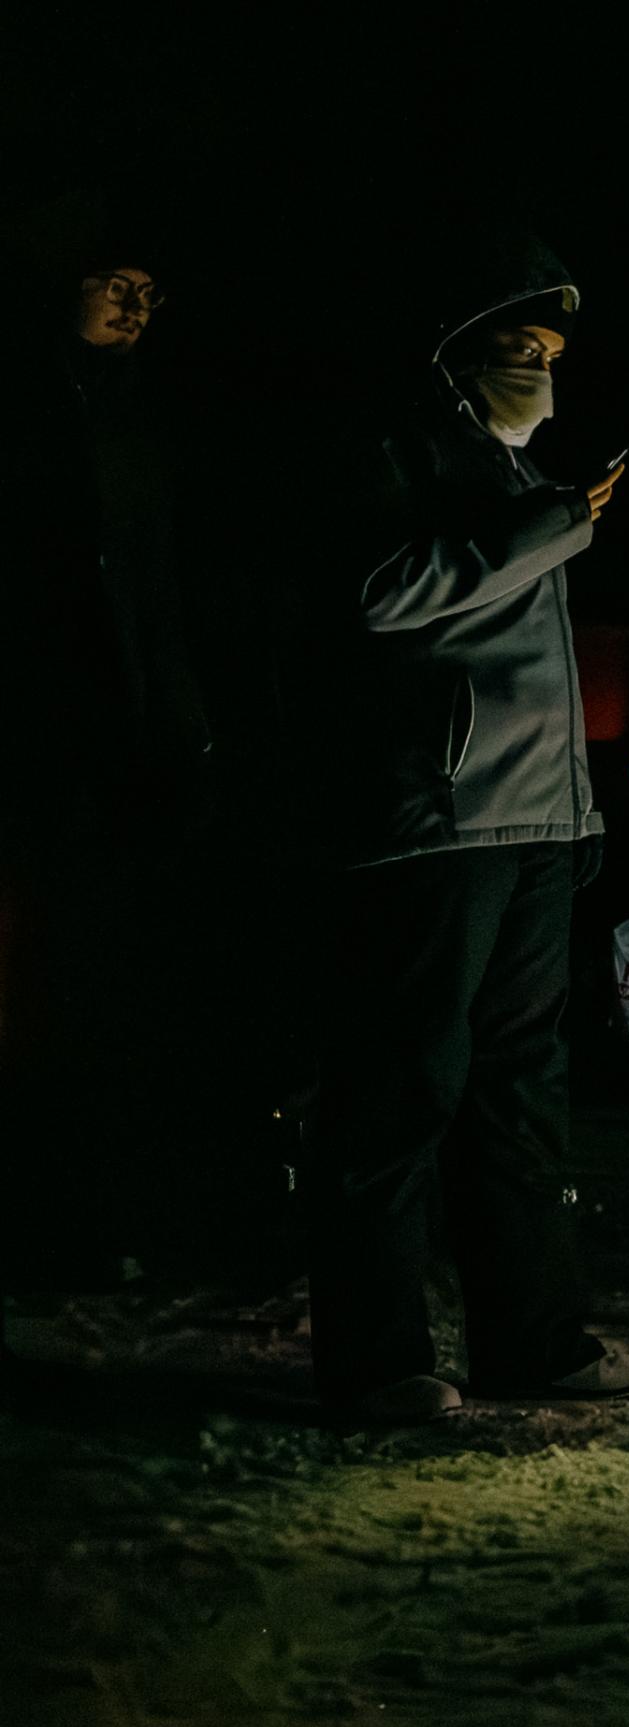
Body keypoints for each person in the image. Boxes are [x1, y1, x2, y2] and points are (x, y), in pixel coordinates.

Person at [294, 232, 629, 1423]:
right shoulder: (392, 449)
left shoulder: (522, 479)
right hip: (433, 827)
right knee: (402, 1091)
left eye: (551, 351)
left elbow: (533, 665)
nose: (541, 368)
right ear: (454, 351)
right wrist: (550, 526)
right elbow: (381, 596)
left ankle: (534, 1344)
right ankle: (377, 1360)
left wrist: (578, 808)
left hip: (533, 825)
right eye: (517, 345)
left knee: (520, 1094)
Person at [1, 213, 215, 1288]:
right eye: (114, 282)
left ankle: (118, 1219)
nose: (133, 306)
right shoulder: (31, 406)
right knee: (48, 982)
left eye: (149, 290)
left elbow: (161, 585)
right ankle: (59, 1225)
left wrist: (182, 721)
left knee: (124, 978)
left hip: (136, 742)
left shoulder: (146, 419)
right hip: (51, 739)